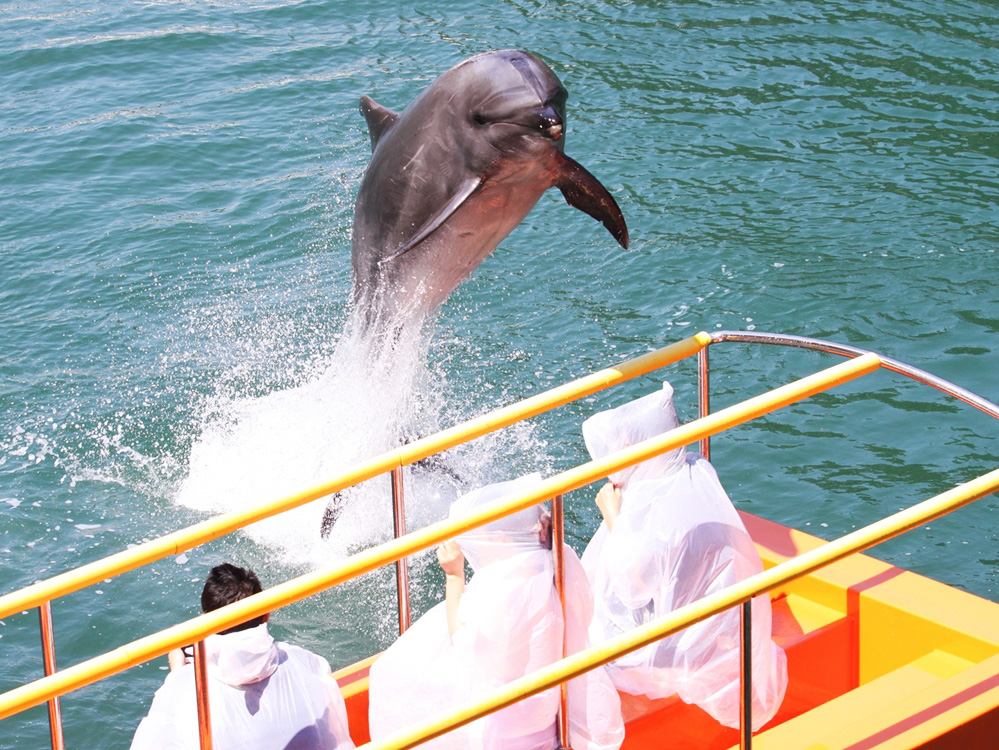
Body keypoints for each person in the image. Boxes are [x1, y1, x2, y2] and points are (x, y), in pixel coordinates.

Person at [580, 381, 788, 730]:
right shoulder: (696, 469)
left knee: (590, 638)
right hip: (730, 626)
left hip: (686, 647)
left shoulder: (650, 505)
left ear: (633, 447)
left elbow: (633, 587)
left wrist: (613, 516)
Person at [368, 473, 624, 750]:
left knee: (389, 673)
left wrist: (454, 577)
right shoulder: (560, 558)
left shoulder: (502, 589)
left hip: (506, 734)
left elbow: (463, 644)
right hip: (550, 715)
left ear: (500, 539)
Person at [130, 563, 355, 750]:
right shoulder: (304, 662)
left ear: (207, 626)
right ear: (266, 614)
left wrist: (178, 675)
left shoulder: (189, 689)